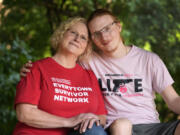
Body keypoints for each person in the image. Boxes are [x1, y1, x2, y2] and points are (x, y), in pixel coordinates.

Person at [20, 9, 180, 135]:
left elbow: (173, 100)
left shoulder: (149, 59)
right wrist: (31, 69)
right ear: (93, 40)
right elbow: (61, 63)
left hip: (153, 127)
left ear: (118, 26)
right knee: (122, 124)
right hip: (118, 127)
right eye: (96, 33)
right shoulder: (90, 61)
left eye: (107, 28)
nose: (104, 36)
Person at [13, 17, 108, 135]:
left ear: (86, 47)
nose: (77, 39)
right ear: (62, 34)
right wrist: (69, 121)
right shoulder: (37, 69)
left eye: (83, 37)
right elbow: (24, 113)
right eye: (73, 32)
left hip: (79, 133)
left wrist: (94, 120)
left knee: (96, 131)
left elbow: (102, 116)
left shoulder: (89, 76)